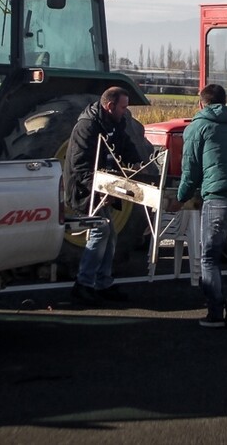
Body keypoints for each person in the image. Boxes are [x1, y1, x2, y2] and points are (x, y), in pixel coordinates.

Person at [169, 83, 227, 329]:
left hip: (216, 198)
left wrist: (180, 198)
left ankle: (215, 312)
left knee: (210, 257)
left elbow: (190, 170)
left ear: (201, 102)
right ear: (224, 102)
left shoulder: (197, 127)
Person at [64, 86, 146, 306]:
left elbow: (126, 146)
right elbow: (80, 167)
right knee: (101, 232)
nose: (125, 111)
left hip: (104, 189)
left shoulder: (115, 123)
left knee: (109, 235)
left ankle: (102, 283)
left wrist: (139, 164)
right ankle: (84, 284)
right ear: (110, 106)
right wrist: (100, 189)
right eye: (122, 107)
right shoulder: (87, 126)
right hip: (85, 190)